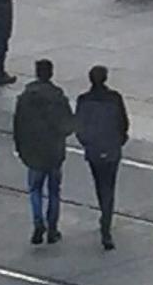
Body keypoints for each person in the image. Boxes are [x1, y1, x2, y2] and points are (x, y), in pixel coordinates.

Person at [11, 58, 75, 246]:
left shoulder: (25, 98)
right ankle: (53, 228)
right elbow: (69, 125)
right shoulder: (58, 97)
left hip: (33, 152)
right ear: (51, 73)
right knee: (54, 191)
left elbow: (18, 126)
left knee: (35, 190)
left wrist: (20, 148)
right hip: (54, 151)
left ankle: (38, 222)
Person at [74, 65, 129, 250]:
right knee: (110, 185)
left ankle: (104, 214)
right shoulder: (115, 98)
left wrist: (87, 143)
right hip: (112, 148)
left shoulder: (83, 100)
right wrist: (119, 140)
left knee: (99, 183)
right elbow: (123, 123)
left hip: (94, 150)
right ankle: (106, 222)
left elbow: (79, 126)